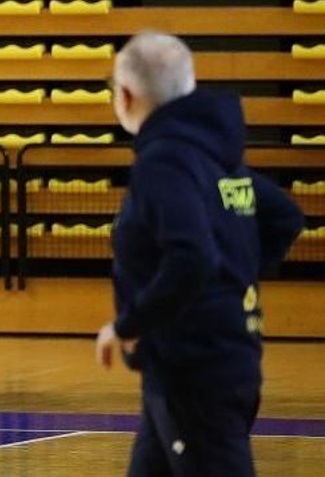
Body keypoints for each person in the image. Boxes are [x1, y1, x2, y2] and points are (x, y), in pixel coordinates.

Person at [95, 31, 302, 476]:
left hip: (196, 371)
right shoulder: (211, 154)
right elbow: (283, 216)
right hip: (189, 366)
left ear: (126, 95)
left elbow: (193, 257)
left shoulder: (165, 161)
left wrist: (127, 324)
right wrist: (235, 274)